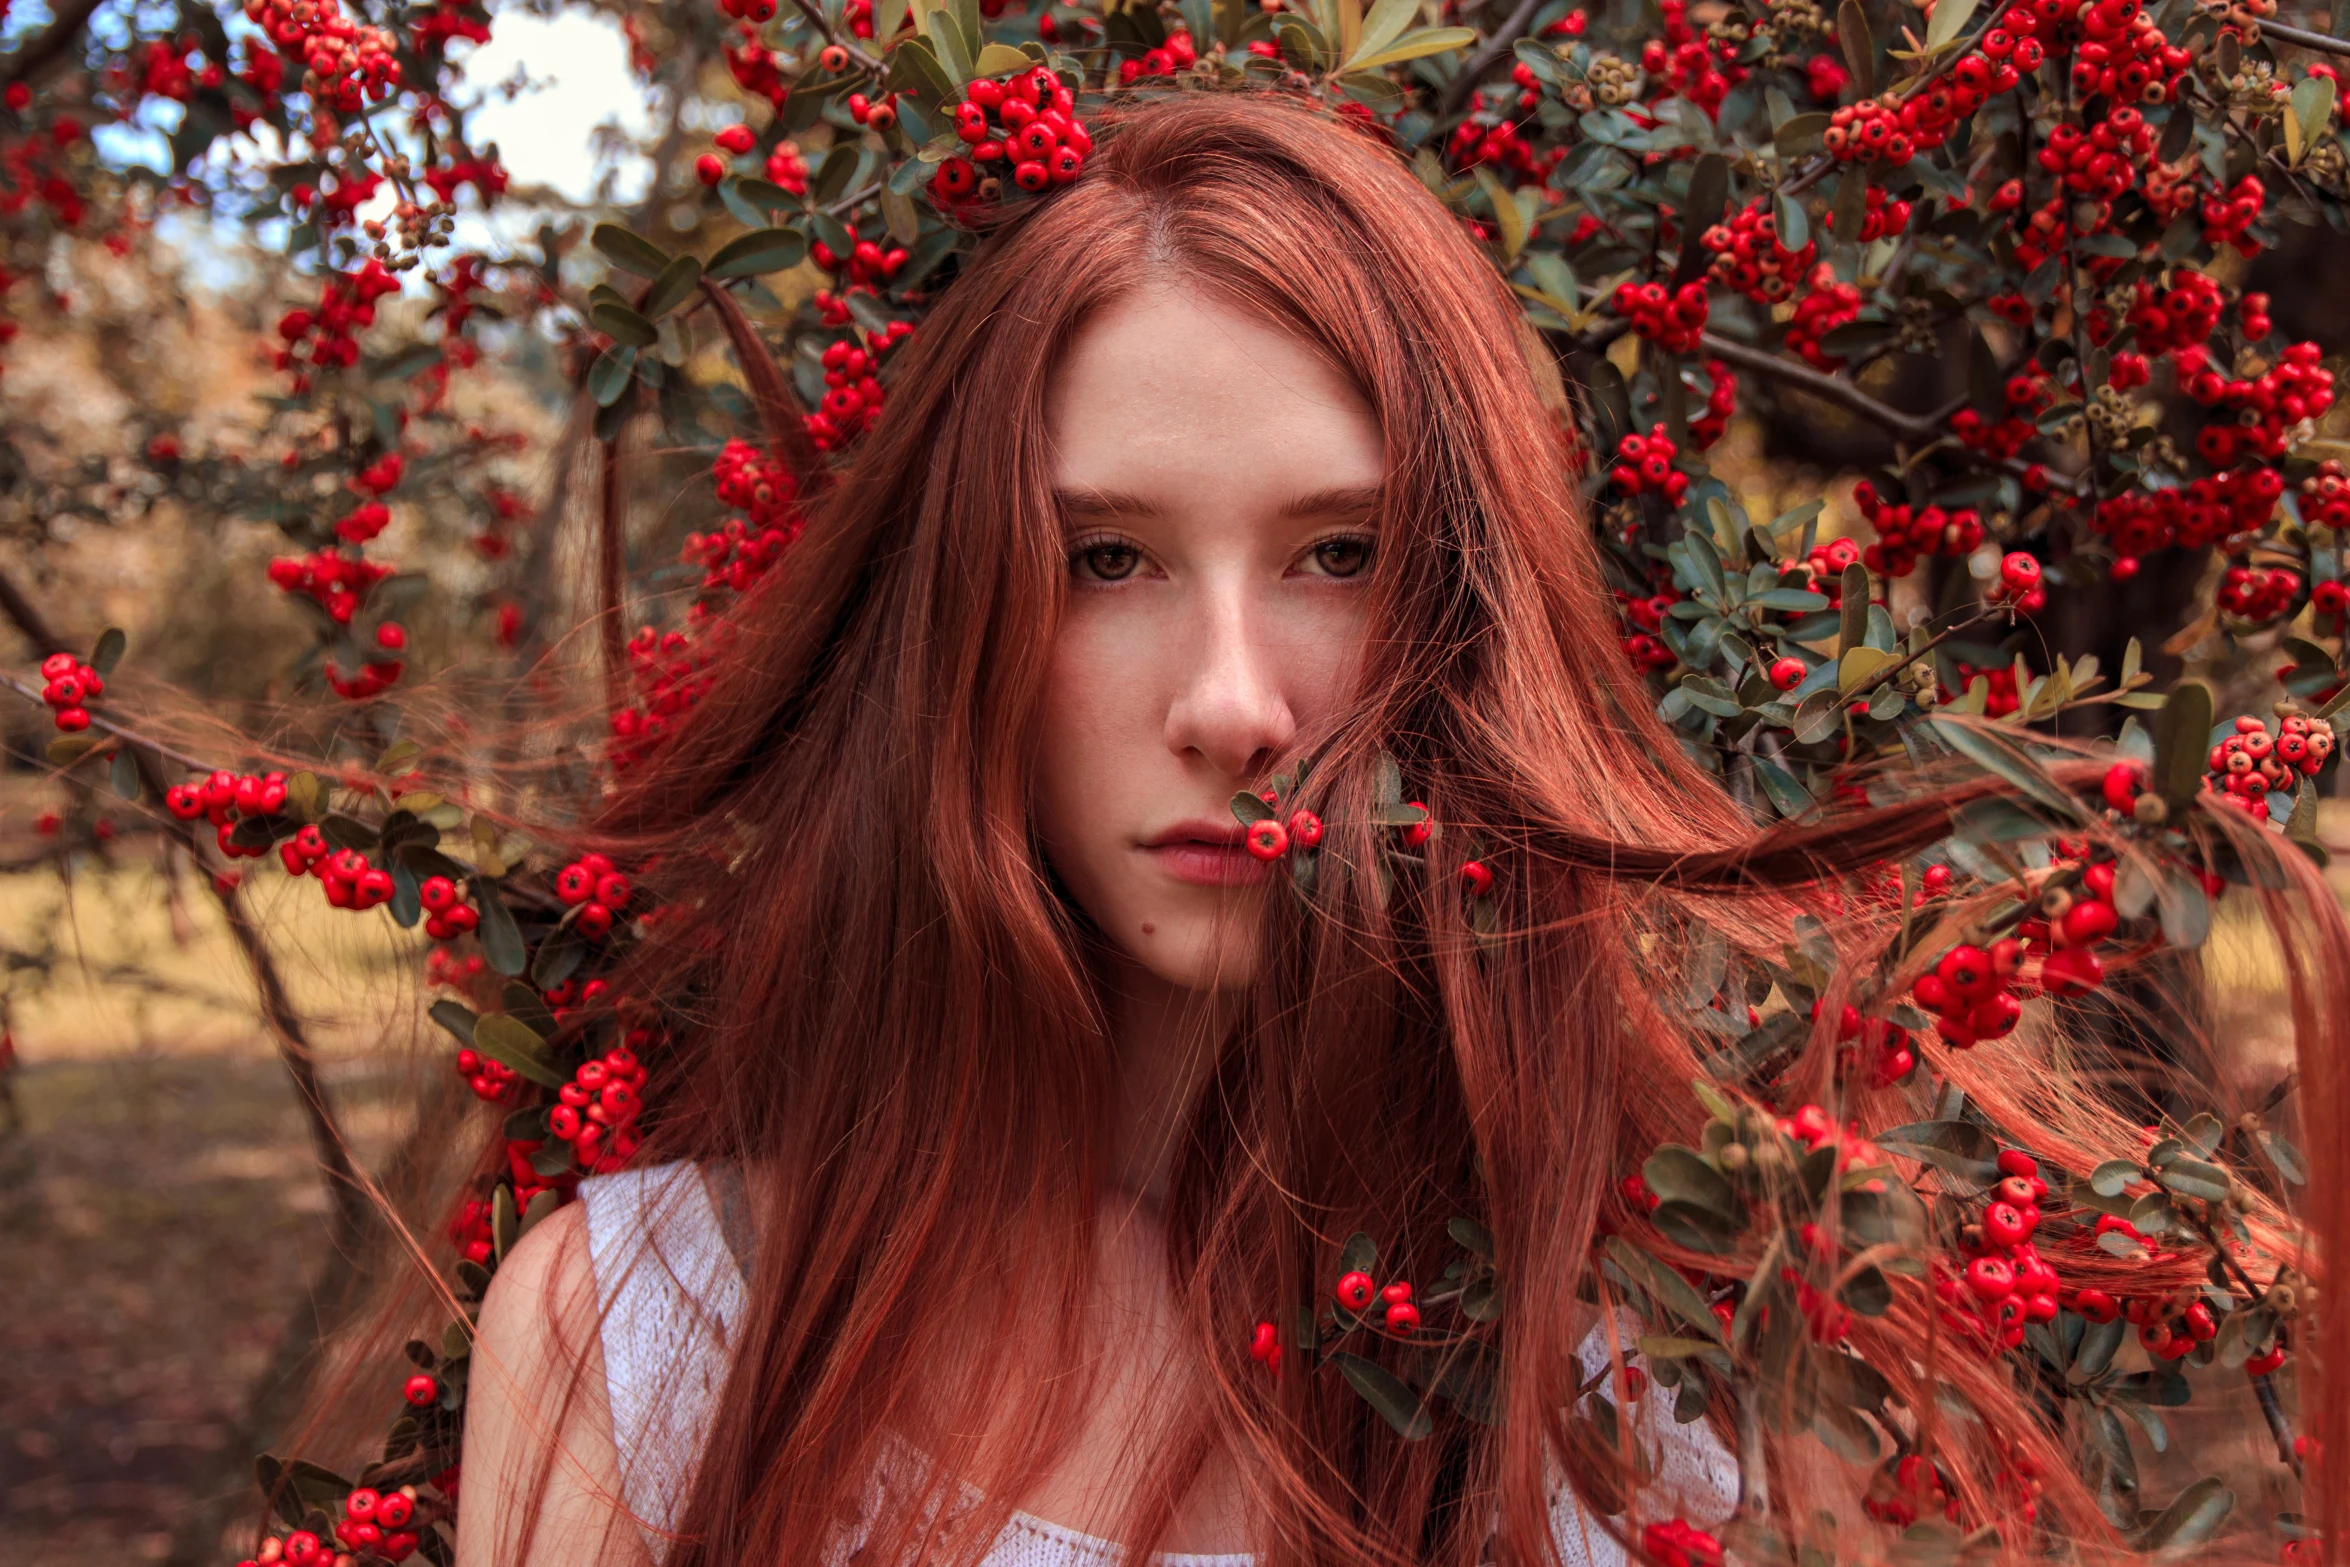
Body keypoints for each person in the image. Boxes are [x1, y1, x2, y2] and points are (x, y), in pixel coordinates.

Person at [443, 87, 2343, 1567]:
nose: (1233, 703)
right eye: (1102, 558)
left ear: (1467, 614)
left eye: (1338, 557)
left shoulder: (1681, 1362)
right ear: (960, 626)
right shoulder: (649, 1342)